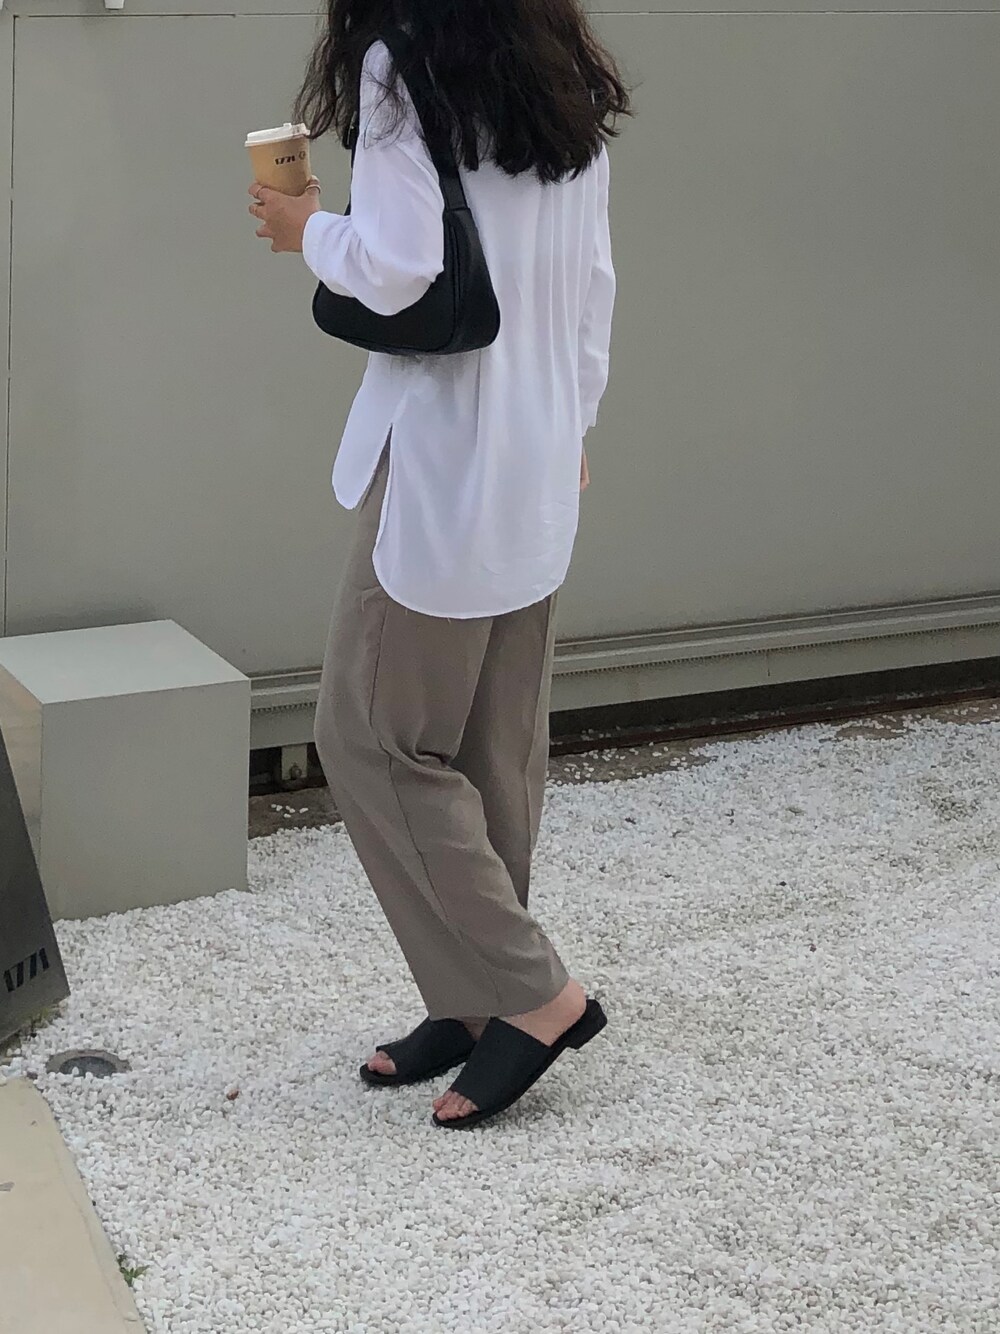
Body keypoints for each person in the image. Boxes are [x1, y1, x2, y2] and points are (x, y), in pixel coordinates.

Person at [249, 0, 628, 1129]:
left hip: (447, 453)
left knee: (372, 736)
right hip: (535, 443)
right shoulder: (553, 61)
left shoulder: (401, 64)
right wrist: (574, 422)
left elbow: (402, 267)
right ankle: (473, 1002)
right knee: (491, 743)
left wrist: (306, 230)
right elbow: (593, 276)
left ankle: (534, 993)